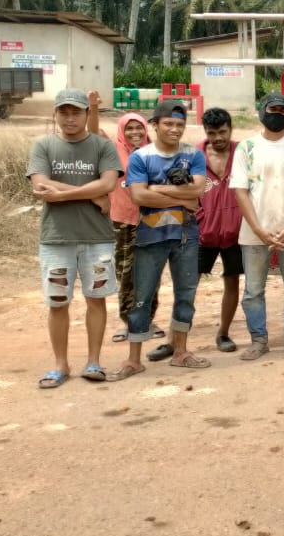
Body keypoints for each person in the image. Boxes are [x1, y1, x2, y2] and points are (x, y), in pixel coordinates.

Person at [28, 88, 123, 388]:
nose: (70, 118)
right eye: (64, 112)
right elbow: (42, 187)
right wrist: (91, 195)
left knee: (96, 299)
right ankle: (60, 365)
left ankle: (94, 361)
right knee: (57, 302)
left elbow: (108, 183)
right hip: (57, 239)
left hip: (98, 239)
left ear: (86, 114)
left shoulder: (101, 146)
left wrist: (71, 193)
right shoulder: (43, 145)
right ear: (55, 114)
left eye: (76, 112)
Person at [114, 99, 209, 378]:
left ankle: (181, 352)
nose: (174, 129)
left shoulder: (194, 155)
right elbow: (138, 195)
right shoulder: (141, 157)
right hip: (150, 235)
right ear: (154, 126)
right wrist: (181, 196)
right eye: (168, 123)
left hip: (185, 236)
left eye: (180, 124)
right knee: (141, 296)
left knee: (186, 295)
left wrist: (156, 188)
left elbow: (199, 192)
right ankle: (133, 359)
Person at [230, 92, 284, 360]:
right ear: (261, 111)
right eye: (272, 109)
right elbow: (241, 192)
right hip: (254, 233)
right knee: (253, 291)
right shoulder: (246, 148)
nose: (277, 114)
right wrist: (258, 229)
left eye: (282, 110)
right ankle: (258, 340)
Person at [86, 91, 164, 345]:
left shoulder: (154, 152)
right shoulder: (112, 149)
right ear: (122, 130)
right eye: (129, 128)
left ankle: (148, 319)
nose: (134, 133)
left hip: (150, 221)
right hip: (121, 221)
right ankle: (128, 321)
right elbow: (94, 131)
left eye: (138, 128)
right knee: (125, 272)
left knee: (151, 271)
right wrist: (93, 107)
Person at [197, 107, 243, 353]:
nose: (218, 138)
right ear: (206, 132)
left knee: (232, 281)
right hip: (203, 234)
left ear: (230, 129)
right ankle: (175, 339)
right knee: (188, 284)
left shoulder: (243, 152)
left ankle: (223, 333)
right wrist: (199, 218)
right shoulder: (195, 155)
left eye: (222, 132)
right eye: (212, 133)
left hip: (235, 233)